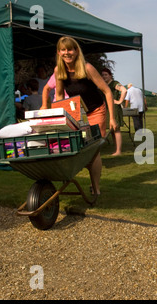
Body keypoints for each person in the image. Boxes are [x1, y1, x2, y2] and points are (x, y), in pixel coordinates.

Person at [54, 36, 119, 195]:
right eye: (64, 49)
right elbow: (59, 95)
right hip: (77, 113)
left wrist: (112, 118)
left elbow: (107, 91)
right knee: (76, 147)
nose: (67, 52)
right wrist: (61, 116)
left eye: (70, 49)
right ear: (59, 52)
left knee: (93, 150)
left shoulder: (87, 68)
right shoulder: (59, 71)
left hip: (96, 111)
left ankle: (95, 187)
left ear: (76, 51)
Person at [101, 68, 127, 156]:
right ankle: (116, 148)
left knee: (116, 129)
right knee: (112, 129)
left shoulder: (114, 83)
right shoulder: (104, 84)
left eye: (106, 75)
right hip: (108, 109)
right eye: (102, 75)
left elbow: (124, 90)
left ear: (110, 75)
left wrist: (119, 101)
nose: (104, 76)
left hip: (115, 108)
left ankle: (118, 151)